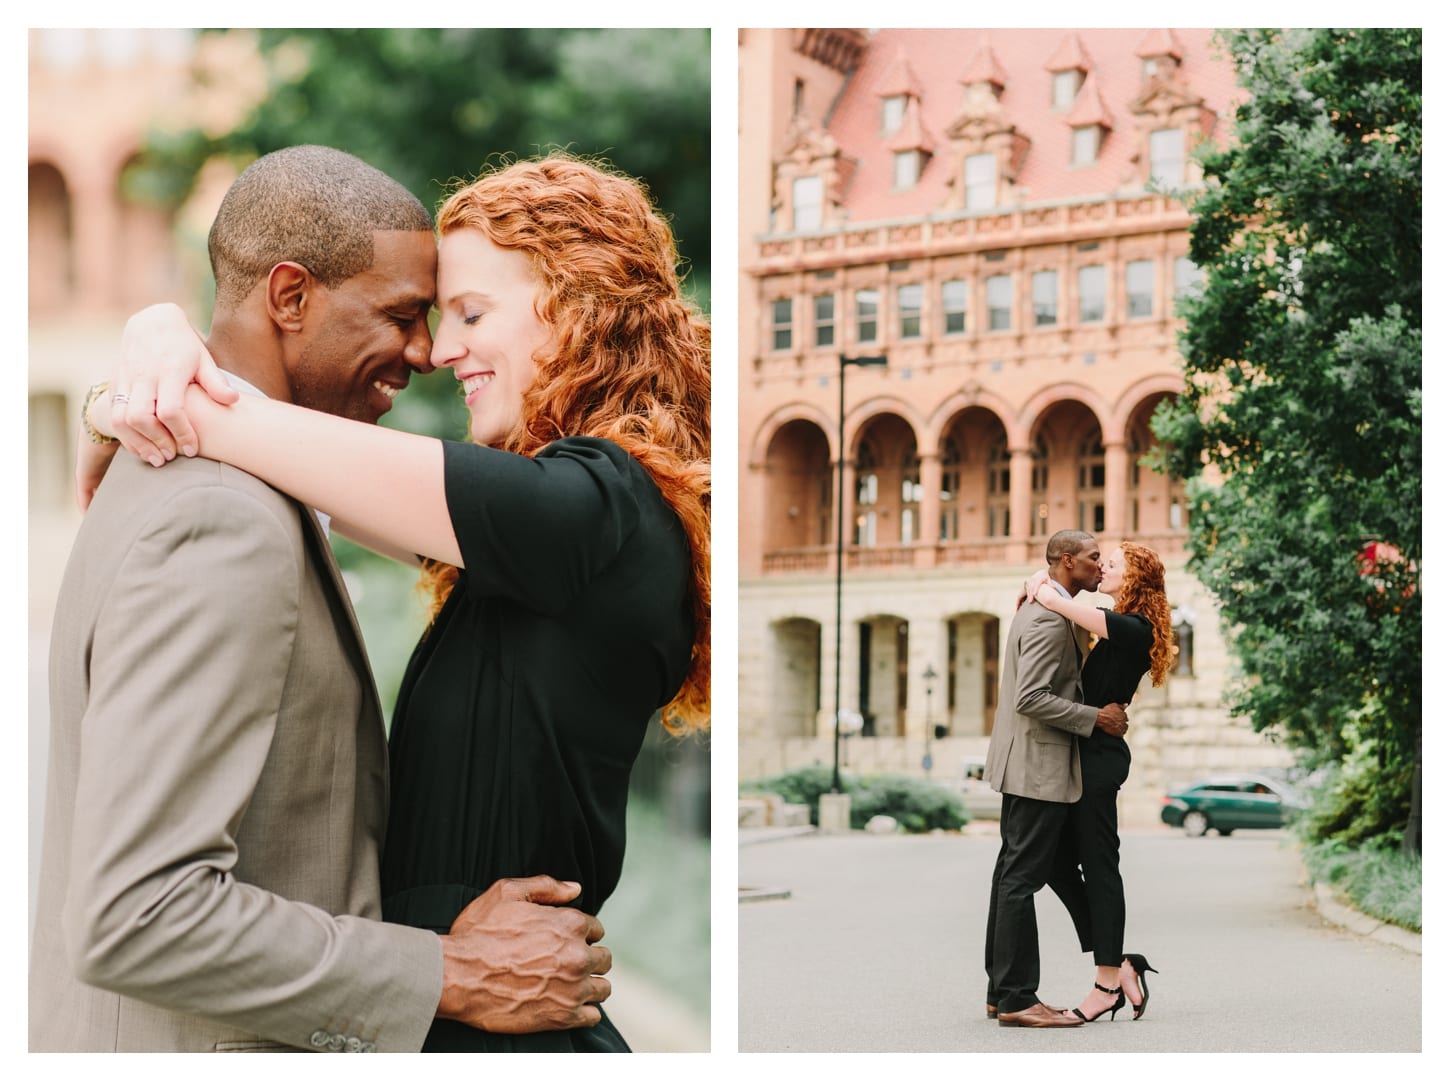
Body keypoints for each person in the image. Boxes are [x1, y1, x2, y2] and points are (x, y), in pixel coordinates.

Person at [86, 151, 711, 1052]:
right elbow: (307, 476)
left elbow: (238, 424)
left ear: (579, 303)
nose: (439, 350)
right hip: (464, 1018)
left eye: (470, 313)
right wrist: (143, 356)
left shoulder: (597, 511)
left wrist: (140, 379)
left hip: (508, 1028)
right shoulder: (546, 533)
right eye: (433, 318)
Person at [982, 529, 1129, 1029]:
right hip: (1039, 767)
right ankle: (1020, 999)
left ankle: (1000, 992)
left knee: (1010, 876)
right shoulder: (1047, 619)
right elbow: (1031, 698)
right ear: (1068, 562)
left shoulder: (1043, 605)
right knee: (1021, 880)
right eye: (1092, 559)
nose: (1098, 566)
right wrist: (1096, 718)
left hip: (1023, 762)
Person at [1025, 542, 1171, 1021]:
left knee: (1101, 866)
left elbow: (1060, 604)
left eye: (1113, 563)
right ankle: (1122, 960)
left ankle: (1106, 982)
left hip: (1100, 759)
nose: (1103, 566)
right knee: (1053, 862)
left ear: (1135, 578)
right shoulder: (1117, 620)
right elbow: (1062, 602)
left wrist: (1038, 587)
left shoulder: (1133, 627)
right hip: (1083, 750)